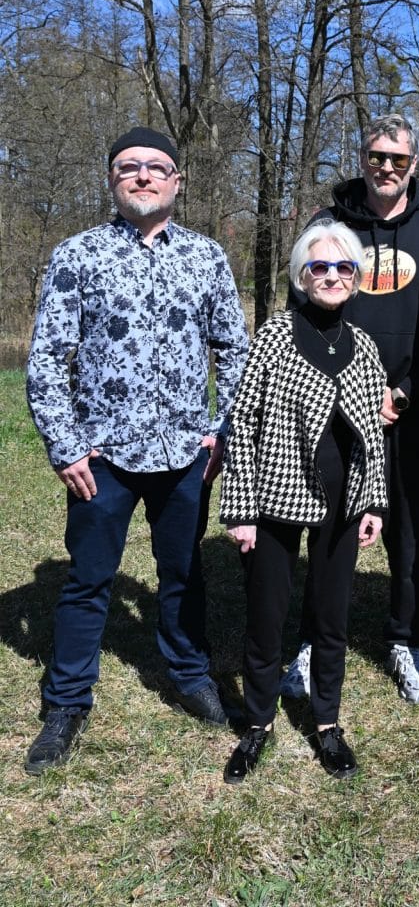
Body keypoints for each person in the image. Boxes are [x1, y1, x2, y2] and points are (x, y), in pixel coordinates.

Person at [24, 126, 249, 776]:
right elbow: (47, 360)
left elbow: (232, 348)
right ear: (113, 181)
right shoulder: (78, 255)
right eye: (129, 168)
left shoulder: (206, 258)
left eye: (156, 167)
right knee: (89, 580)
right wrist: (67, 448)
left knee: (183, 573)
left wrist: (223, 429)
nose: (143, 176)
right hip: (103, 457)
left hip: (185, 453)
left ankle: (188, 671)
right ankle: (66, 702)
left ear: (178, 181)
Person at [284, 113, 419, 706]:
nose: (387, 167)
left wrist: (403, 390)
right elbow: (301, 314)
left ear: (414, 165)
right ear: (361, 158)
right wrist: (338, 391)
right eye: (377, 156)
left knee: (410, 528)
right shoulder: (326, 227)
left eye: (399, 159)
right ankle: (311, 640)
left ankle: (406, 640)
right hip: (333, 409)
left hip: (412, 407)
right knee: (328, 525)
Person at [221, 220, 388, 783]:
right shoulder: (272, 336)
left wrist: (374, 503)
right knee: (267, 615)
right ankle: (259, 722)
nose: (333, 276)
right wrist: (240, 510)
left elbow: (372, 434)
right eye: (320, 266)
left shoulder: (364, 346)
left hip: (344, 503)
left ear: (357, 278)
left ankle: (326, 723)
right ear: (301, 274)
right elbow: (241, 424)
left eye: (344, 267)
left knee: (331, 616)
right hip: (276, 492)